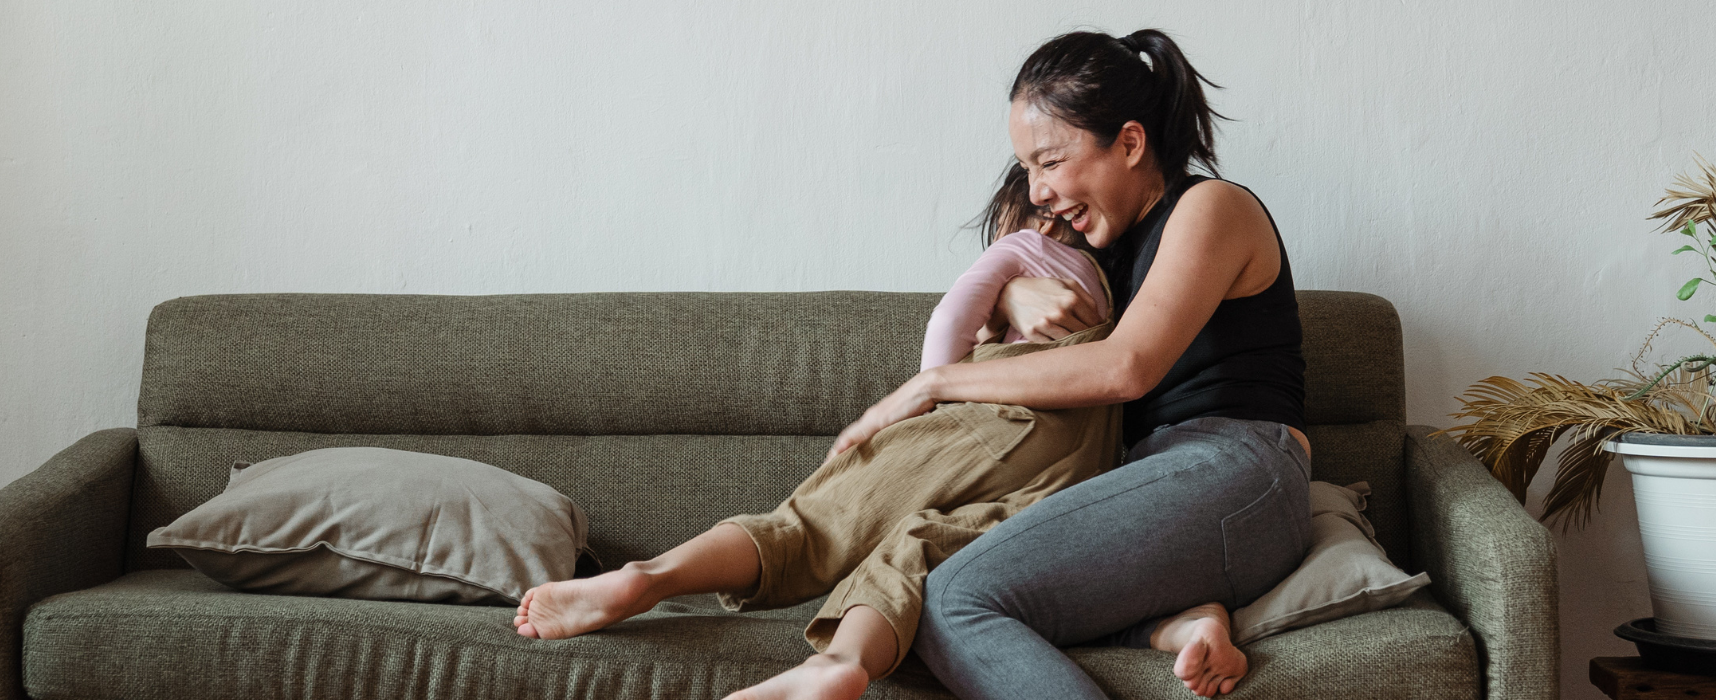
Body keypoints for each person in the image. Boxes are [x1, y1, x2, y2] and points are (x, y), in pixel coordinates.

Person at [510, 167, 1248, 700]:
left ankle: (650, 578)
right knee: (922, 548)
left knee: (810, 524)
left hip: (997, 425)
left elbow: (950, 318)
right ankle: (842, 664)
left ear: (1026, 219)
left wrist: (935, 388)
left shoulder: (1021, 251)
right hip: (1073, 470)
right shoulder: (1122, 282)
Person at [831, 29, 1317, 700]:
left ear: (1129, 142)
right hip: (1151, 487)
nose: (1037, 191)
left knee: (953, 601)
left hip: (1240, 470)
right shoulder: (1102, 257)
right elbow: (1016, 340)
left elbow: (1127, 367)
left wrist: (932, 383)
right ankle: (1186, 621)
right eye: (1026, 169)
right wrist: (1007, 283)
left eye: (1050, 162)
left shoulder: (1213, 208)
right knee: (930, 587)